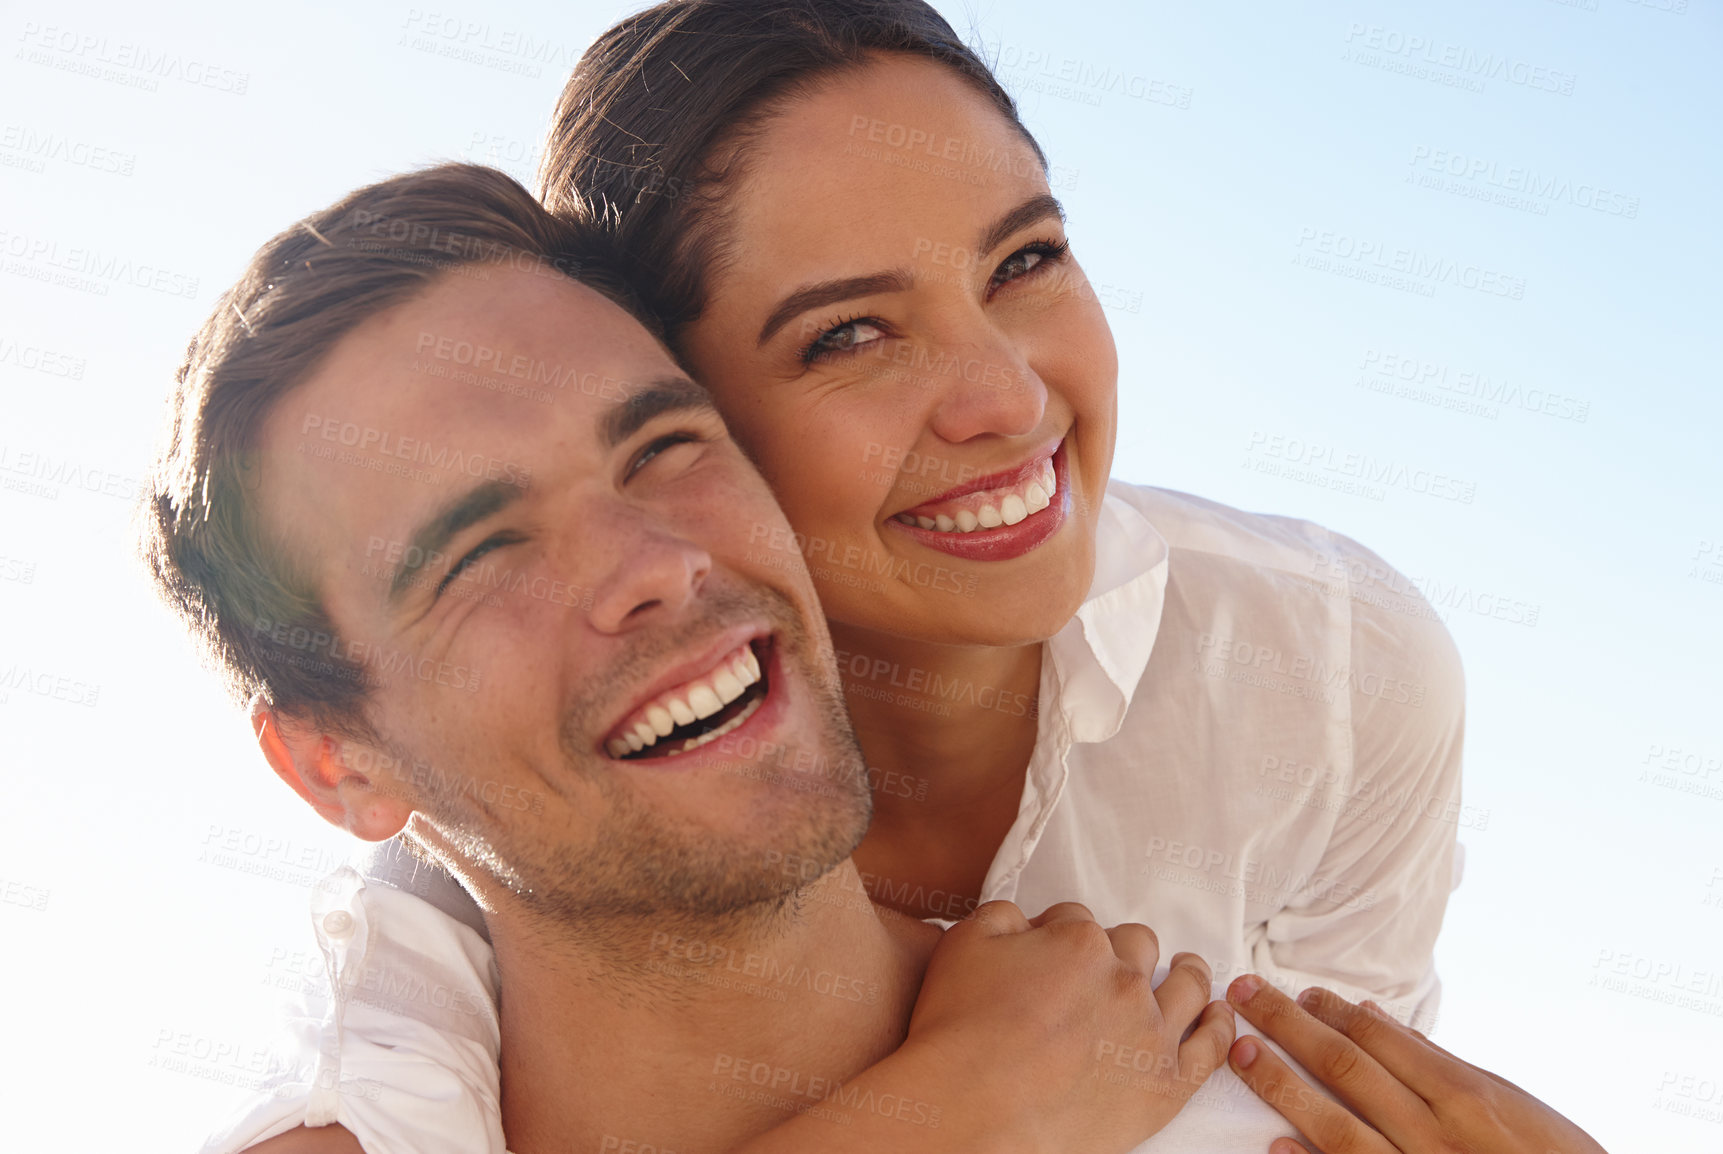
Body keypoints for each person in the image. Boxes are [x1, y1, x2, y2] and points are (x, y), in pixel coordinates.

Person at [144, 164, 1239, 1154]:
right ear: (334, 763)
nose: (657, 562)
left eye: (662, 447)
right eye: (479, 552)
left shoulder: (1282, 1110)